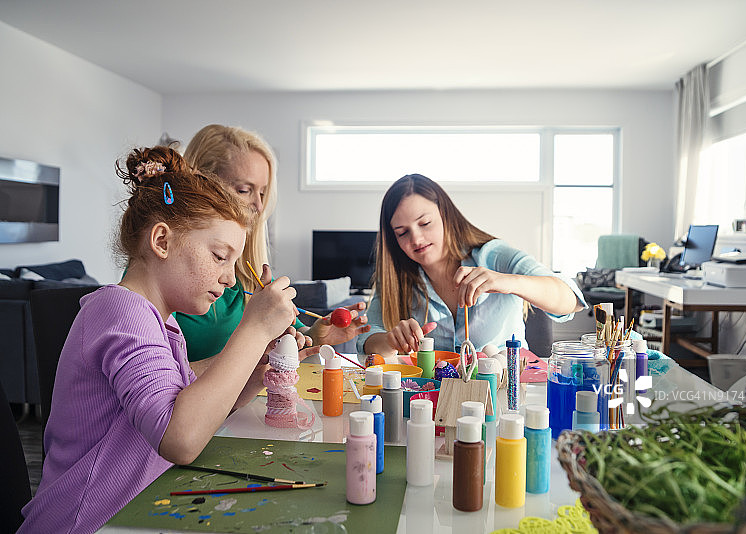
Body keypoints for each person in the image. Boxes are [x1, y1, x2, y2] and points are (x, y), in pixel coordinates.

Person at [19, 146, 302, 533]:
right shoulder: (119, 311)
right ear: (162, 241)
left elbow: (200, 405)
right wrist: (252, 330)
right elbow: (180, 438)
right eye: (220, 256)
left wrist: (258, 365)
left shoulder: (160, 322)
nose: (231, 278)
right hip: (84, 522)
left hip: (135, 513)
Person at [176, 124, 369, 361]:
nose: (258, 206)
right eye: (244, 190)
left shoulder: (251, 276)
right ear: (201, 186)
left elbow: (296, 336)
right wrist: (255, 338)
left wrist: (316, 337)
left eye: (263, 193)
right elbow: (169, 384)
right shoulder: (170, 282)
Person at [358, 174, 586, 356]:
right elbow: (368, 339)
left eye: (425, 223)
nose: (416, 239)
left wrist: (506, 281)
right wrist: (391, 341)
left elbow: (572, 300)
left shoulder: (495, 256)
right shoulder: (396, 277)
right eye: (402, 232)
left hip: (505, 395)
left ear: (445, 214)